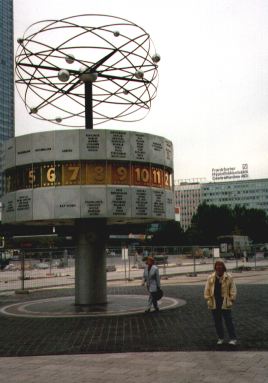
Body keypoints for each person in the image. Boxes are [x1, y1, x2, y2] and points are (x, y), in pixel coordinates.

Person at [204, 259, 237, 345]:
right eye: (217, 265)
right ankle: (220, 338)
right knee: (217, 322)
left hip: (225, 302)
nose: (219, 267)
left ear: (223, 266)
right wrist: (208, 299)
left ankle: (233, 338)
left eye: (220, 265)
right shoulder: (210, 277)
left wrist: (231, 299)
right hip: (214, 302)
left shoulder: (229, 277)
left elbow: (233, 290)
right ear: (215, 267)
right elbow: (207, 290)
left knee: (228, 321)